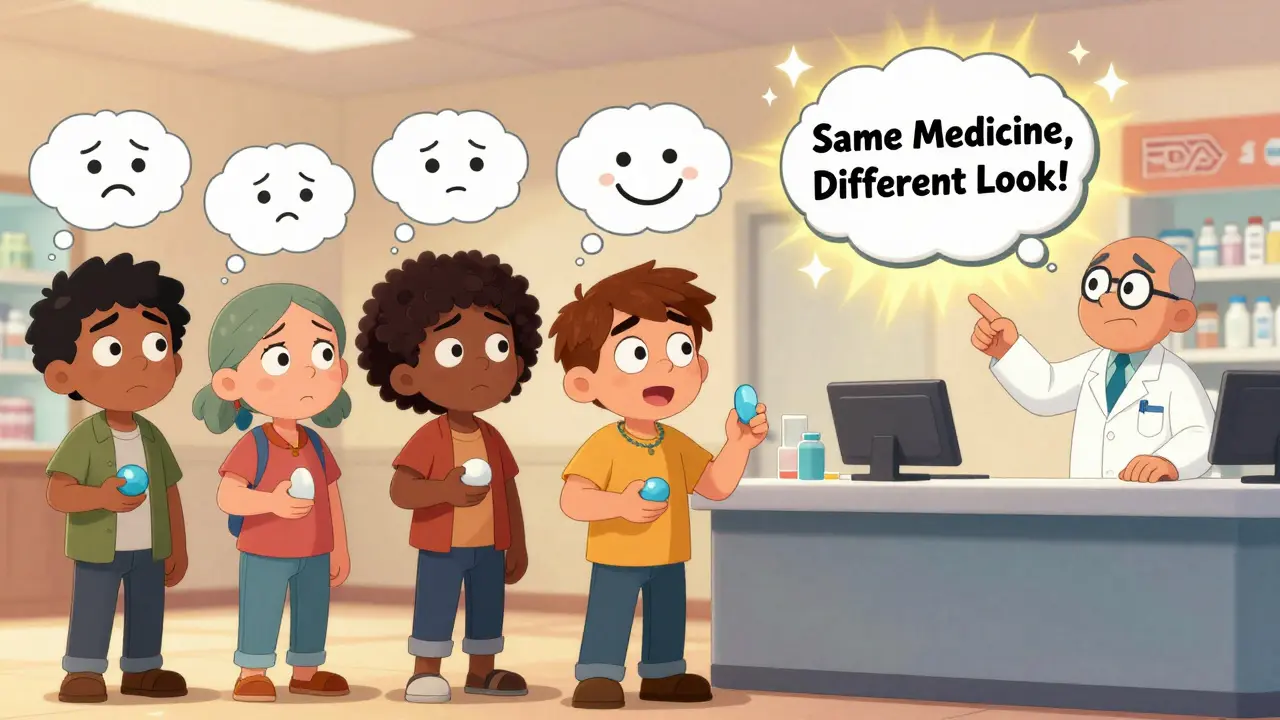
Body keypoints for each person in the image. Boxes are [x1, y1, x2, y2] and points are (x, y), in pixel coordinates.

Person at [549, 261, 768, 710]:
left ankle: (664, 673)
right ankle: (598, 673)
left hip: (670, 555)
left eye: (681, 349)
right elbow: (573, 499)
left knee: (668, 616)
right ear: (583, 382)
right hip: (617, 556)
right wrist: (619, 504)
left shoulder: (677, 443)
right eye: (636, 353)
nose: (667, 365)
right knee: (610, 614)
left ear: (699, 368)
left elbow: (714, 486)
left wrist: (739, 445)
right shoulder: (605, 443)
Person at [355, 250, 541, 704]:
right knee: (435, 607)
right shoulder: (430, 437)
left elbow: (507, 490)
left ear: (516, 365)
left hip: (490, 546)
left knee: (487, 609)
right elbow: (402, 489)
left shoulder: (493, 437)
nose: (482, 363)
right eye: (455, 350)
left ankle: (483, 671)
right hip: (442, 546)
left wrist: (516, 541)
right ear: (406, 376)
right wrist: (445, 492)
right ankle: (426, 671)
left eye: (498, 347)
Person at [32, 254, 192, 703]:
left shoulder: (153, 437)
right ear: (64, 373)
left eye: (157, 347)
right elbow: (58, 492)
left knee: (147, 609)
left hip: (150, 550)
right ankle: (83, 670)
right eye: (113, 350)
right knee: (93, 608)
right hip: (99, 549)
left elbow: (168, 491)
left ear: (174, 363)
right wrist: (100, 496)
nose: (141, 364)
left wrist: (177, 545)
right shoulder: (85, 437)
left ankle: (142, 669)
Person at [193, 284, 353, 702]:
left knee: (312, 610)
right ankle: (253, 668)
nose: (308, 373)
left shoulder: (317, 443)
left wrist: (339, 547)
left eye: (322, 355)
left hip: (316, 549)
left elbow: (330, 496)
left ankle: (306, 669)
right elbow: (228, 496)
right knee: (261, 607)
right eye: (280, 358)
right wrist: (271, 503)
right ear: (230, 382)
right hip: (265, 549)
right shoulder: (256, 444)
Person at [969, 236, 1214, 481]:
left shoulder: (1174, 374)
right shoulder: (1092, 366)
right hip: (1089, 503)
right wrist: (1007, 350)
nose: (1106, 299)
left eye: (1131, 289)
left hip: (1150, 508)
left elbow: (1201, 435)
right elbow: (1046, 389)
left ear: (1179, 315)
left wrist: (1168, 461)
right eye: (1096, 285)